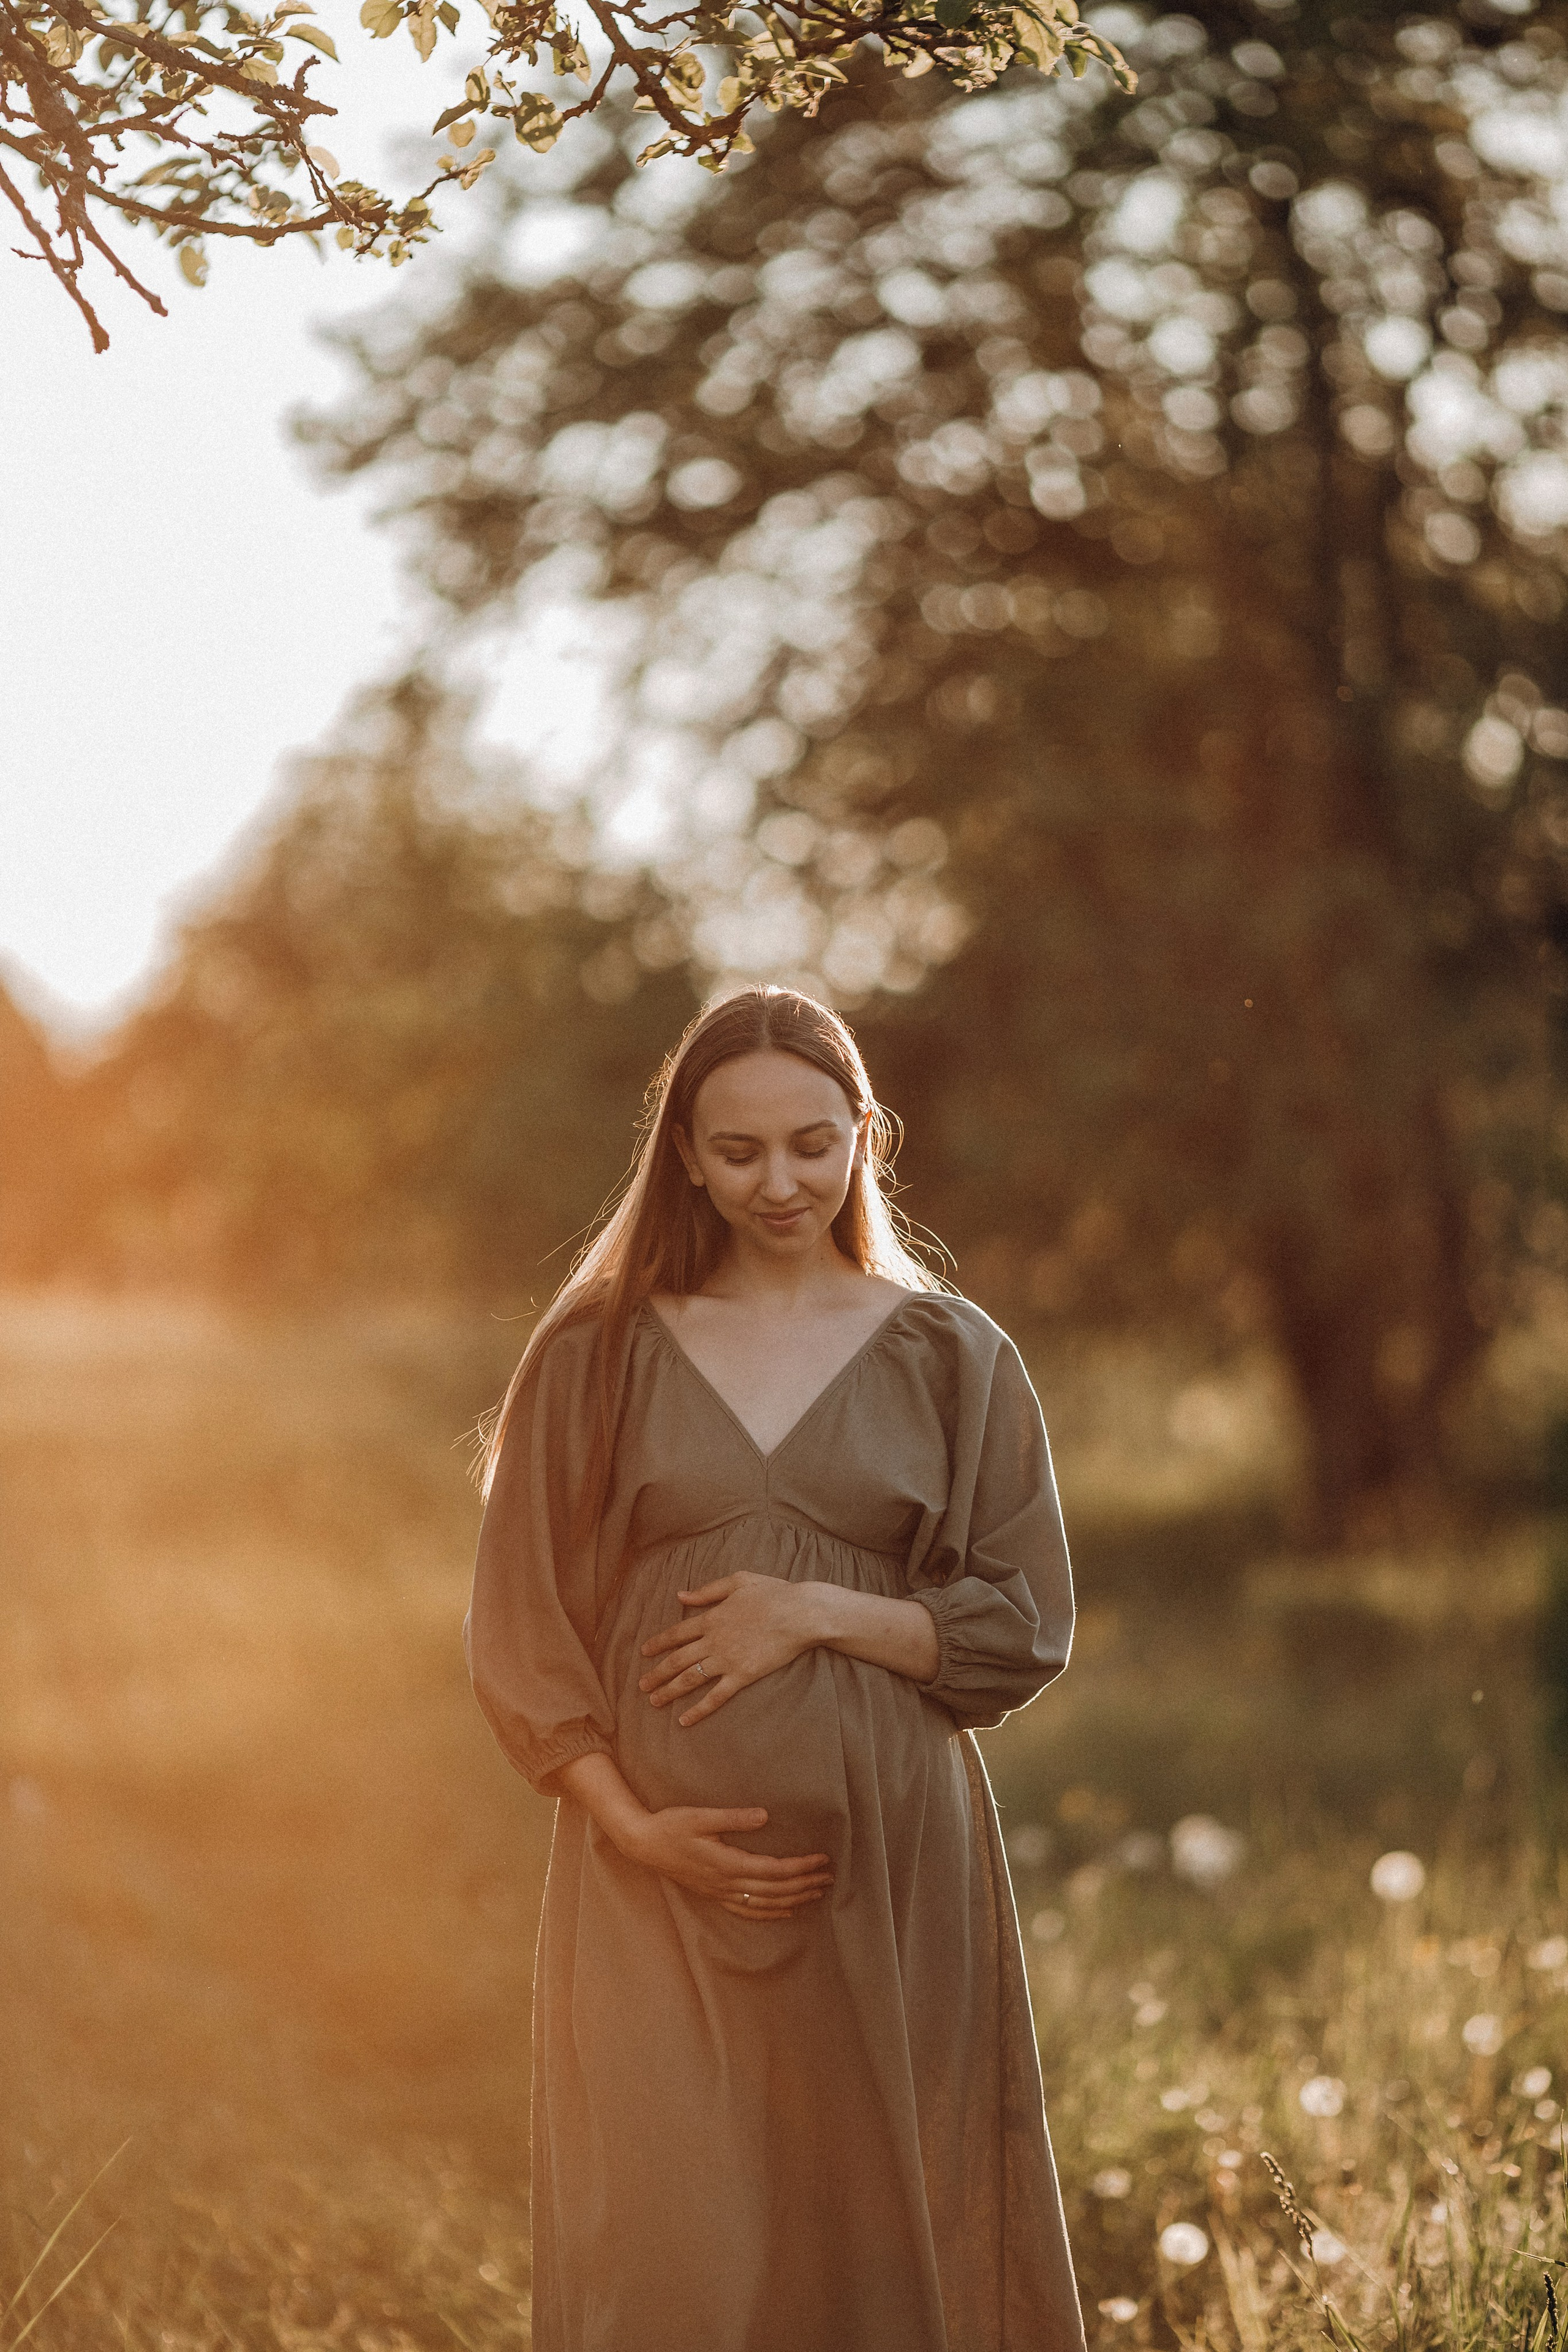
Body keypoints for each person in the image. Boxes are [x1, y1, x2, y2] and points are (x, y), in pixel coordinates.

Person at [465, 984, 1085, 2352]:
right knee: (667, 2247)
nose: (779, 1180)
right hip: (650, 1873)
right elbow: (520, 1622)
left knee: (885, 2239)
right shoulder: (597, 1348)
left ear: (865, 1133)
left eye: (813, 1143)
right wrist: (632, 1823)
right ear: (682, 1152)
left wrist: (815, 1610)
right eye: (736, 1150)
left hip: (890, 1870)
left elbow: (1023, 1621)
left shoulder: (952, 1355)